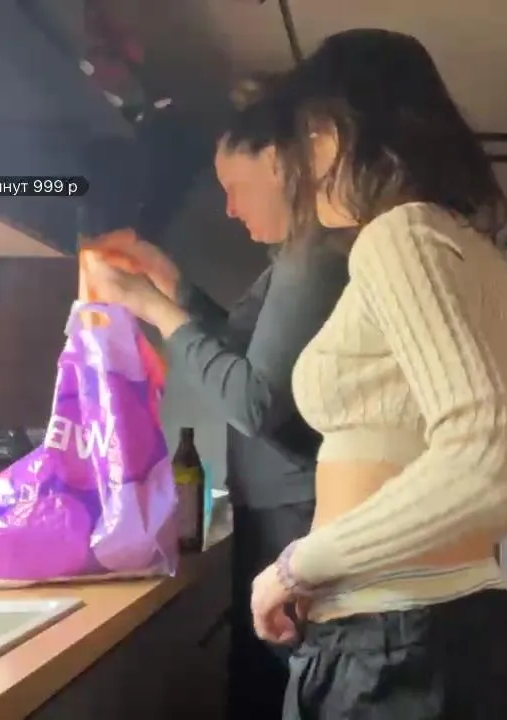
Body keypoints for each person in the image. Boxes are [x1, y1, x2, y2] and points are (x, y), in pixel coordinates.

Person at [245, 29, 507, 719]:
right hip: (461, 628)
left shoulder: (398, 236)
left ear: (337, 131)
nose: (302, 168)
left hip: (388, 649)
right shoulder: (475, 255)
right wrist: (452, 529)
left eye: (306, 139)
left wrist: (299, 565)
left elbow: (482, 449)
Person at [82, 76, 349, 719]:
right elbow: (246, 351)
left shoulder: (314, 258)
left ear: (278, 162)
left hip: (298, 508)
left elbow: (253, 401)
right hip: (282, 504)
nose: (228, 208)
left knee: (283, 686)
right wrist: (170, 284)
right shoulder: (292, 260)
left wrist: (152, 307)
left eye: (234, 186)